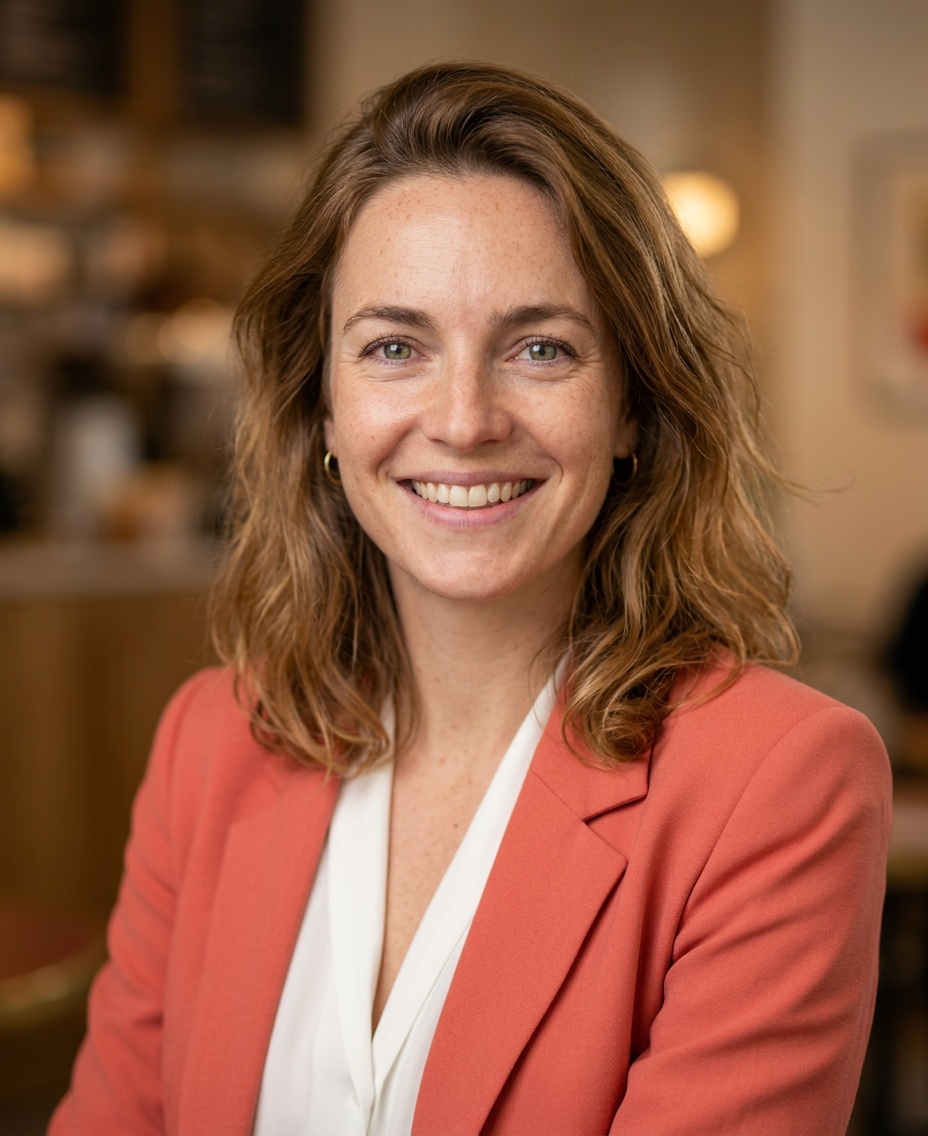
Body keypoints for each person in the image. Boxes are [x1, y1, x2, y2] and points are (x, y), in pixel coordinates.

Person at [50, 63, 891, 1136]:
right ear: (322, 407)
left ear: (634, 403)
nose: (462, 419)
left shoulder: (779, 783)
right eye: (395, 347)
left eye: (539, 347)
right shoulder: (210, 741)